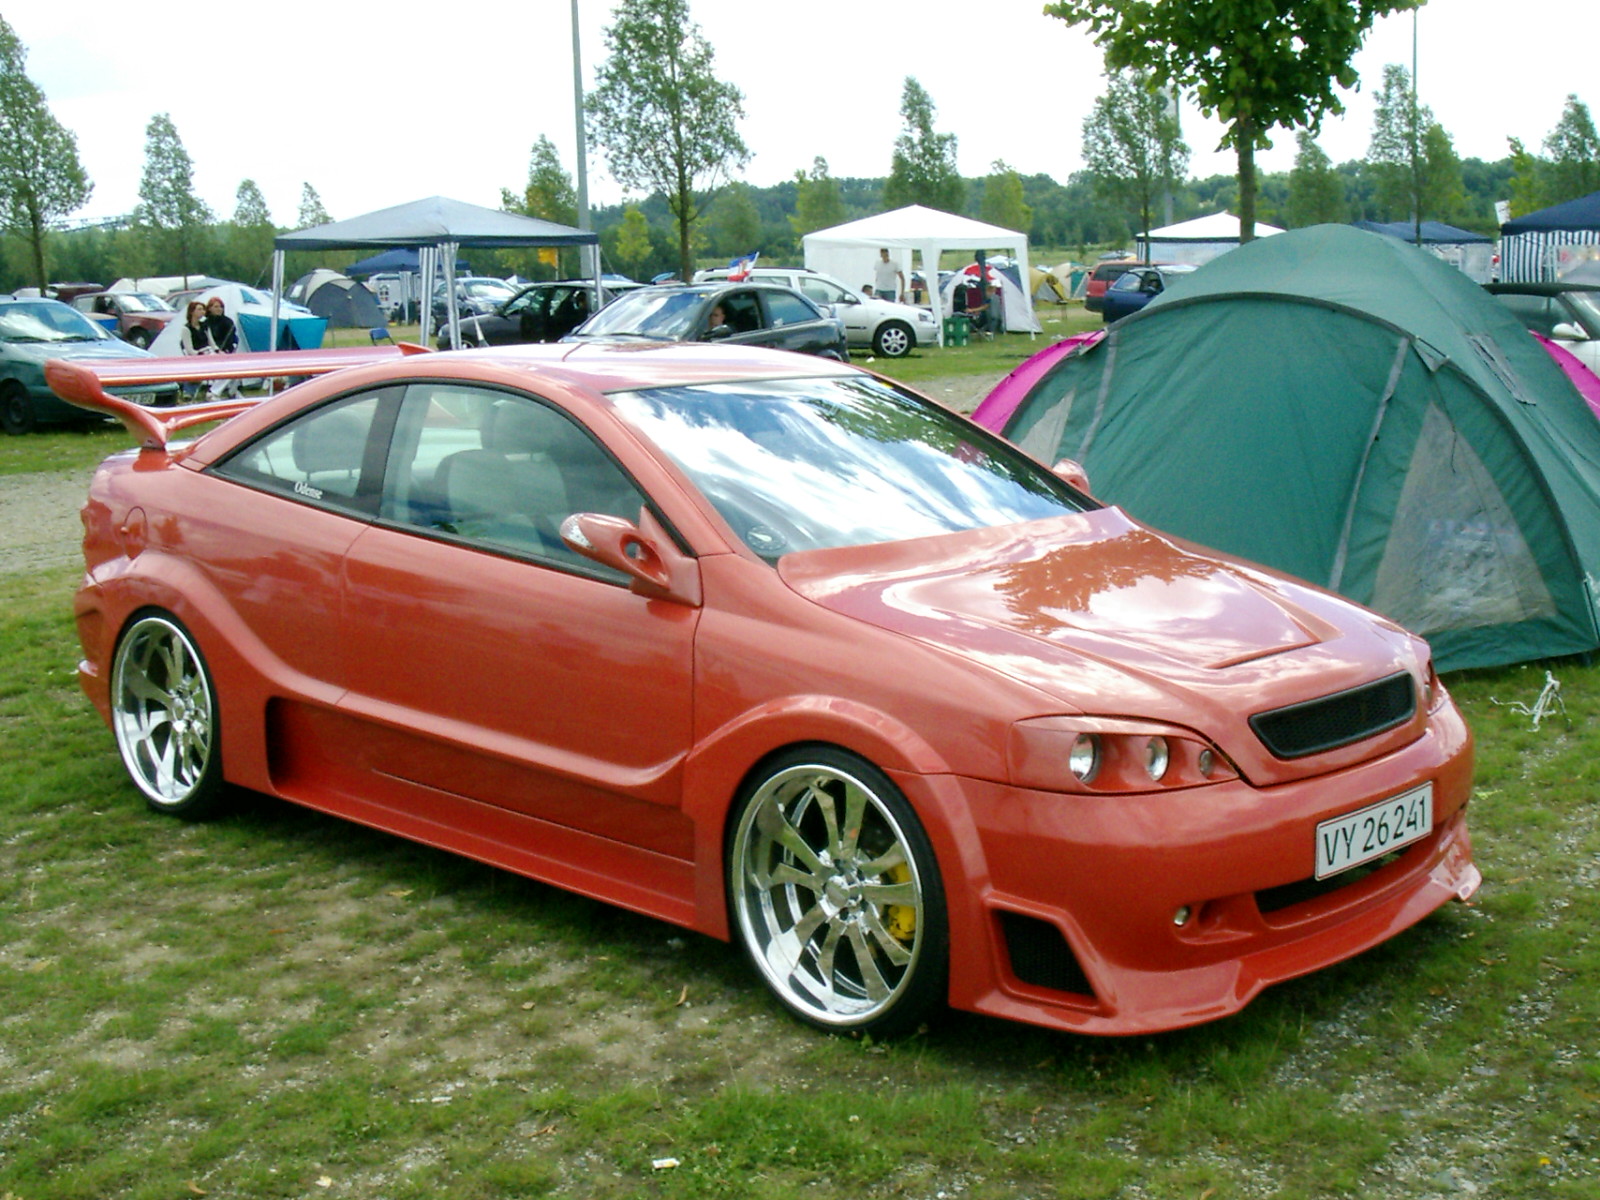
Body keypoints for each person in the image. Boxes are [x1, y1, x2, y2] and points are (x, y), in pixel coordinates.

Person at [203, 296, 241, 398]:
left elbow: (232, 339)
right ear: (209, 308)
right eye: (216, 307)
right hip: (210, 352)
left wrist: (226, 350)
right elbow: (207, 341)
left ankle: (232, 391)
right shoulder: (205, 324)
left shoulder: (228, 322)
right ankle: (214, 391)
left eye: (221, 307)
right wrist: (216, 350)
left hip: (226, 351)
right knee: (228, 366)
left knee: (238, 365)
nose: (219, 309)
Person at [178, 300, 214, 400]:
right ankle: (189, 391)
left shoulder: (205, 326)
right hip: (196, 355)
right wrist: (200, 353)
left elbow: (212, 342)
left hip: (208, 352)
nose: (202, 312)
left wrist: (218, 351)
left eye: (203, 309)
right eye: (199, 309)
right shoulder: (186, 329)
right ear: (192, 312)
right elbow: (189, 350)